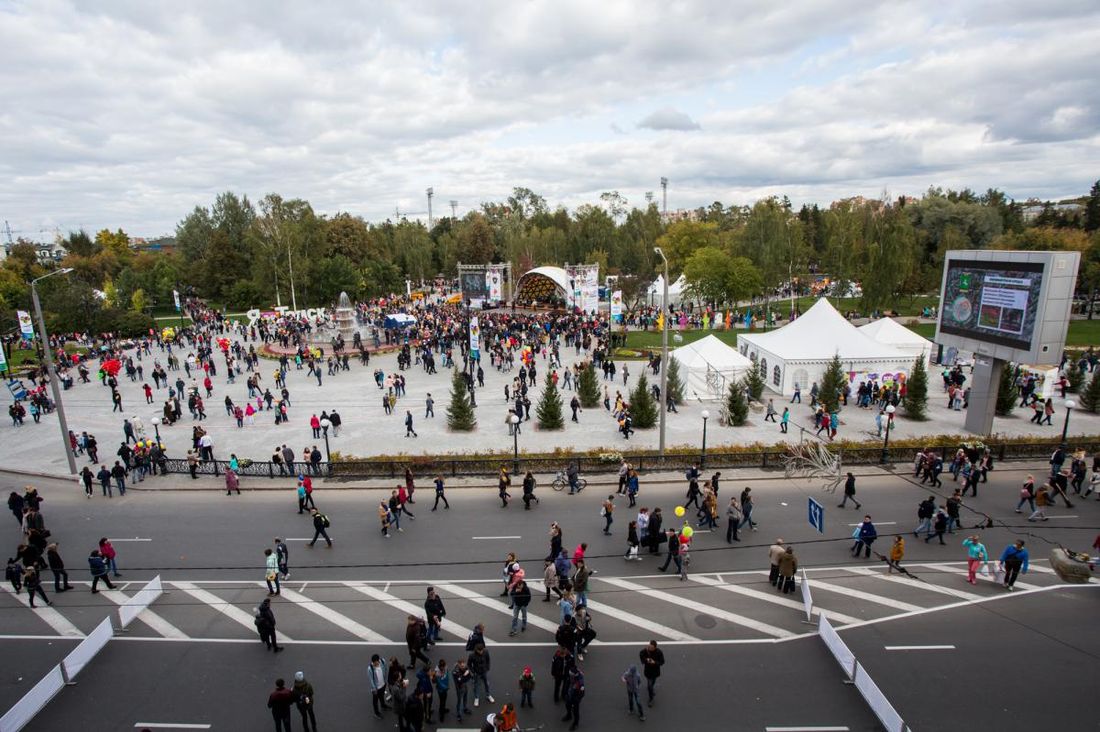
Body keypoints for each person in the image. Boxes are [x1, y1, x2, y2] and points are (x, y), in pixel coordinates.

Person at [639, 640, 664, 707]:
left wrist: (654, 662)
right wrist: (646, 660)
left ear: (655, 647)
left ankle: (651, 689)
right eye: (649, 646)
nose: (650, 648)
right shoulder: (646, 650)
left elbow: (662, 662)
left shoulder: (659, 652)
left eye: (651, 647)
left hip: (655, 671)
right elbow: (641, 654)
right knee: (649, 684)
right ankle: (651, 699)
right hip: (648, 671)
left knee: (653, 682)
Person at [468, 642, 494, 708]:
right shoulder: (472, 655)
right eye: (479, 651)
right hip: (477, 672)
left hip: (484, 671)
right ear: (476, 650)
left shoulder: (485, 651)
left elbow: (488, 660)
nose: (481, 652)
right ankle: (476, 698)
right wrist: (473, 671)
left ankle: (488, 695)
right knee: (476, 685)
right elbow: (469, 664)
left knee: (486, 683)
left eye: (482, 650)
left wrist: (487, 668)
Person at [561, 665, 584, 731]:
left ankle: (575, 724)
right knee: (567, 706)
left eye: (571, 674)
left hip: (575, 699)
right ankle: (569, 715)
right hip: (569, 695)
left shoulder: (580, 682)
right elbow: (567, 683)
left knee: (575, 712)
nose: (570, 674)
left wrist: (576, 701)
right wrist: (565, 693)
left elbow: (582, 693)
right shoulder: (571, 676)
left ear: (575, 674)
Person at [368, 654, 389, 719]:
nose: (374, 664)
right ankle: (376, 713)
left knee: (382, 695)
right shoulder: (370, 668)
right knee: (375, 701)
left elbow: (386, 669)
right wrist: (374, 689)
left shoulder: (383, 662)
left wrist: (385, 681)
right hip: (376, 688)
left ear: (378, 661)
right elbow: (371, 679)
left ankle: (383, 705)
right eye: (373, 663)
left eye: (375, 663)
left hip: (383, 684)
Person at [452, 657, 471, 723]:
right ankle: (458, 714)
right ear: (459, 664)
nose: (463, 667)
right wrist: (465, 675)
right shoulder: (455, 671)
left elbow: (469, 677)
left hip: (464, 685)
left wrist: (464, 676)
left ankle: (465, 708)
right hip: (459, 688)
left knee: (465, 697)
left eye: (464, 665)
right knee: (459, 701)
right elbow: (460, 681)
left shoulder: (465, 667)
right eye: (462, 666)